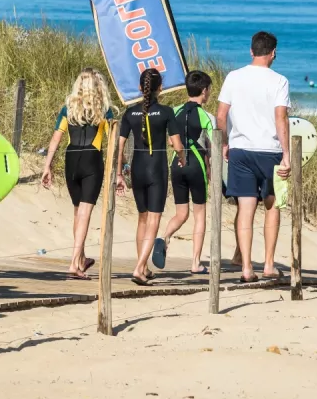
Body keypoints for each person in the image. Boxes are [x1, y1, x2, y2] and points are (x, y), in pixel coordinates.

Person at [216, 31, 291, 284]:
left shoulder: (233, 77)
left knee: (245, 210)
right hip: (270, 151)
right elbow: (281, 118)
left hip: (241, 150)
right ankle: (269, 264)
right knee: (272, 207)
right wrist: (287, 154)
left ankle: (247, 267)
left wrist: (225, 142)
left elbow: (220, 115)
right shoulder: (279, 80)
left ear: (251, 51)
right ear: (273, 53)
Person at [40, 68, 114, 279]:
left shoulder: (68, 108)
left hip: (71, 158)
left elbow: (56, 138)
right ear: (99, 86)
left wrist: (47, 166)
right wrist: (120, 166)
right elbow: (112, 141)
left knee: (77, 211)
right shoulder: (104, 110)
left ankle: (80, 259)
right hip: (92, 159)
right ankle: (74, 263)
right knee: (85, 212)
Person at [116, 68, 184, 286]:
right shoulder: (165, 112)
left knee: (142, 218)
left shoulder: (130, 113)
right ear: (160, 88)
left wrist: (118, 172)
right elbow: (176, 143)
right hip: (156, 169)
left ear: (139, 88)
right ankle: (138, 268)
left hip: (137, 168)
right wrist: (182, 157)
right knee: (154, 218)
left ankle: (143, 266)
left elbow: (120, 145)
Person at [161, 70, 216, 275]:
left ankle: (165, 237)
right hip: (196, 164)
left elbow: (169, 139)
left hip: (177, 164)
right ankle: (195, 263)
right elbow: (214, 144)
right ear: (204, 91)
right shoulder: (206, 116)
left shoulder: (174, 111)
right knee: (199, 214)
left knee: (180, 213)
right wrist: (210, 167)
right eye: (209, 90)